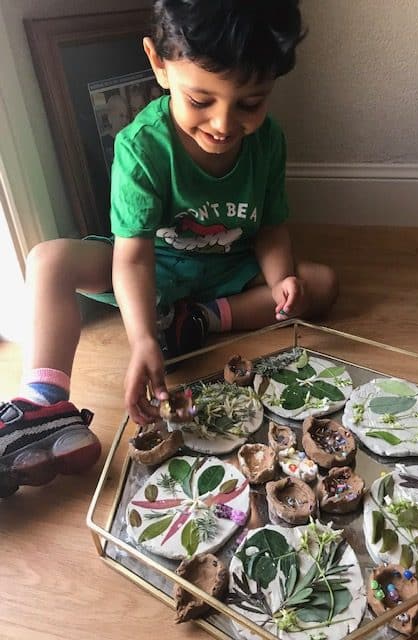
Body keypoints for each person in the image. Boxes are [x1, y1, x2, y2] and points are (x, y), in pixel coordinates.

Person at [0, 0, 337, 496]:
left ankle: (199, 320)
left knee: (320, 285)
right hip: (148, 270)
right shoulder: (141, 146)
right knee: (47, 259)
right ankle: (43, 402)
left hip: (226, 268)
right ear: (158, 63)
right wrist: (140, 338)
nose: (224, 124)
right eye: (201, 100)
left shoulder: (269, 143)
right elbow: (130, 256)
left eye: (249, 103)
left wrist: (281, 279)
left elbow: (269, 229)